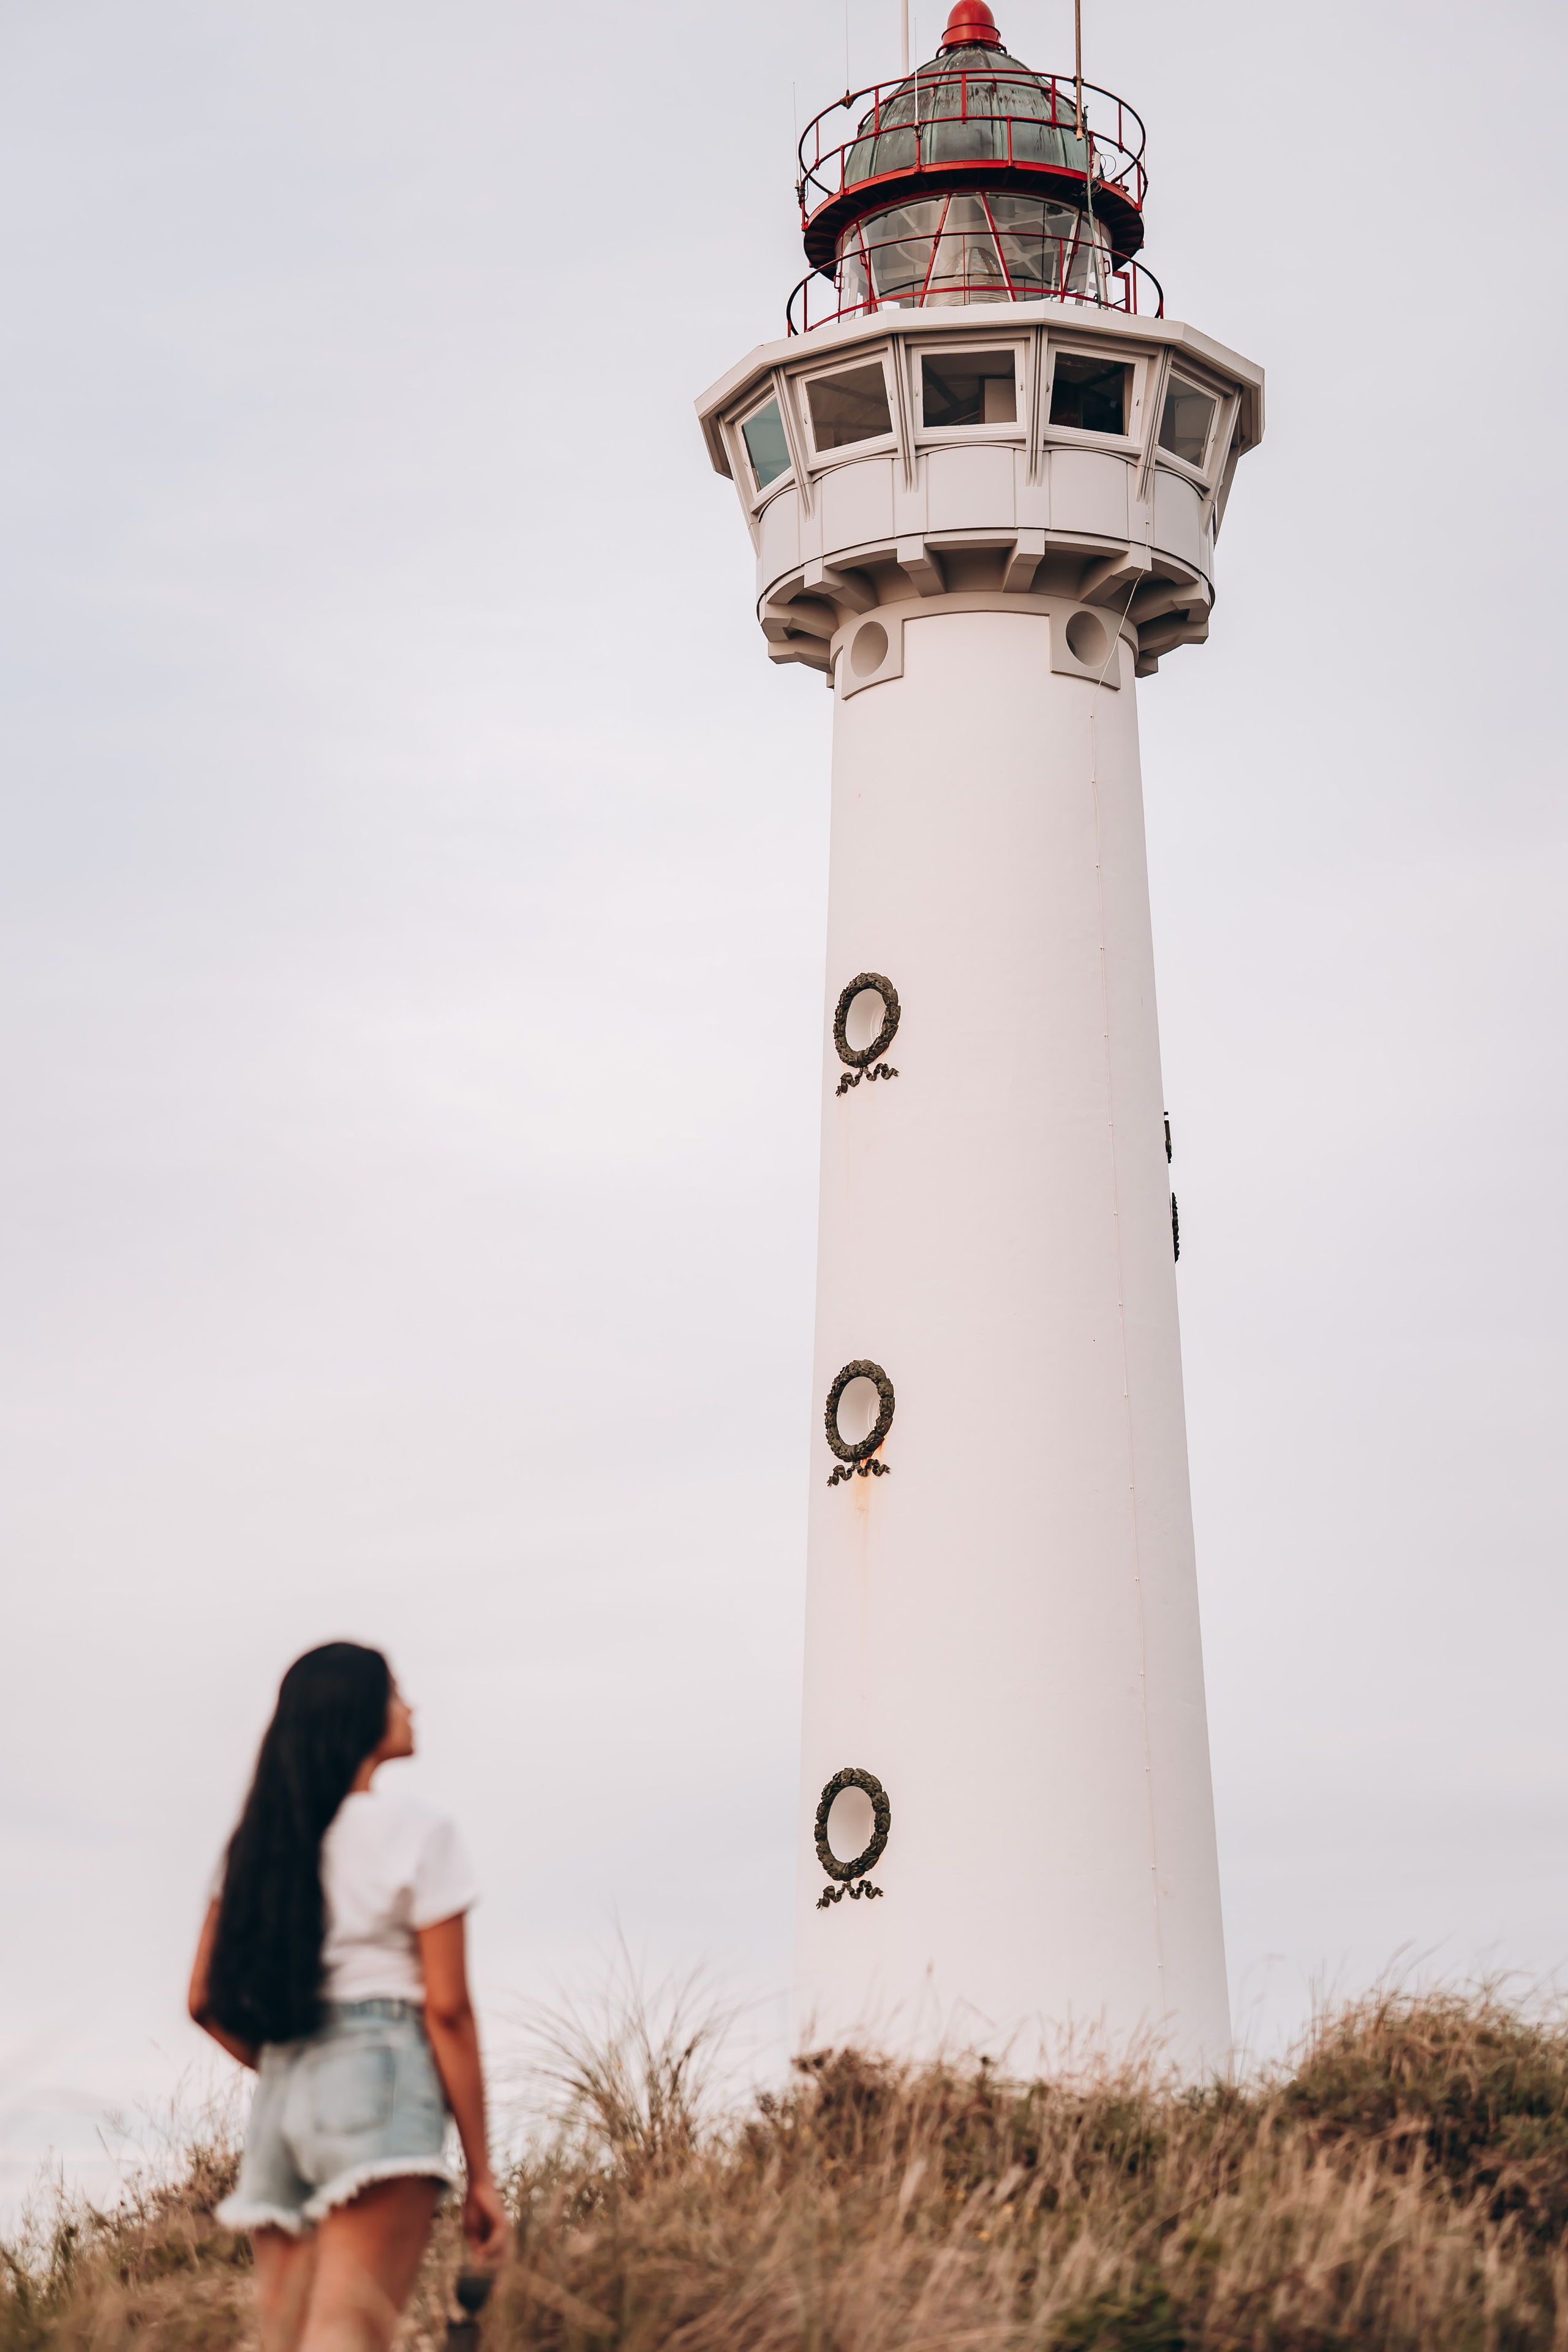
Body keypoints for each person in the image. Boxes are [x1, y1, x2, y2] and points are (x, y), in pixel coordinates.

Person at [188, 1642, 507, 2352]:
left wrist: (292, 2070)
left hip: (282, 2091)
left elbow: (203, 2000)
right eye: (397, 1692)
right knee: (346, 2341)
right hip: (380, 2080)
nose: (411, 1706)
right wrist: (482, 2173)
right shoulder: (421, 1833)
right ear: (360, 1712)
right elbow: (448, 2011)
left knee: (289, 2341)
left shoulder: (258, 1842)